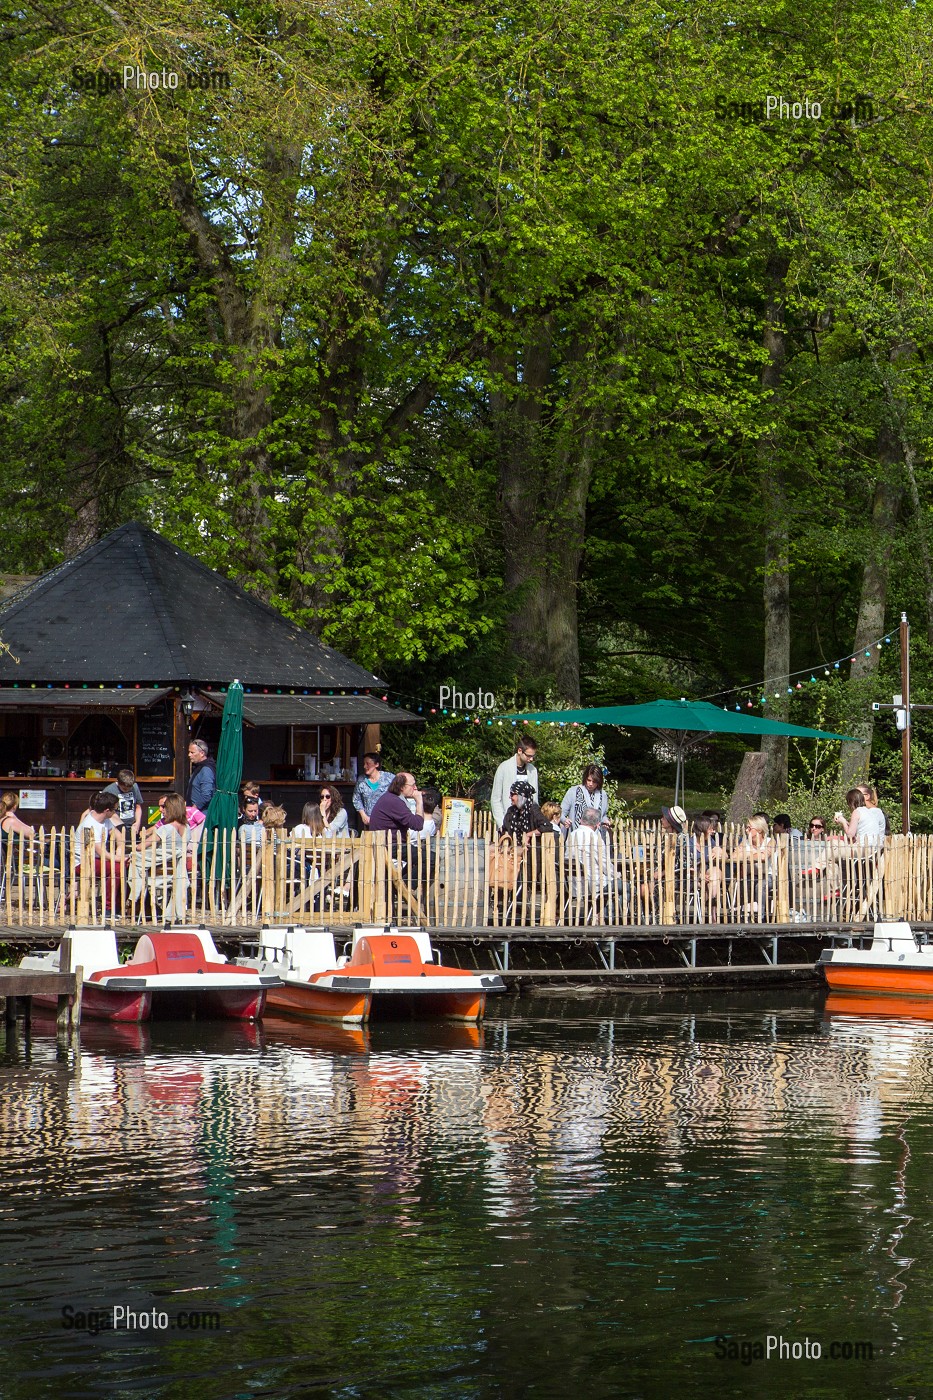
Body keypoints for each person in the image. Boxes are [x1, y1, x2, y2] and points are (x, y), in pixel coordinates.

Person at [131, 792, 189, 921]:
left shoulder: (166, 829)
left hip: (158, 872)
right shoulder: (187, 828)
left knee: (134, 861)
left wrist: (134, 848)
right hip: (176, 872)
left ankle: (137, 903)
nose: (162, 811)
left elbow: (141, 846)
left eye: (165, 808)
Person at [491, 737, 539, 831]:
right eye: (528, 755)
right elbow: (495, 799)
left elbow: (534, 799)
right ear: (520, 750)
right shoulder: (504, 767)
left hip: (527, 824)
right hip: (507, 822)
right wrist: (501, 824)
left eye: (533, 756)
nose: (531, 759)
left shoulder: (533, 770)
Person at [560, 764, 610, 832]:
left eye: (594, 781)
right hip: (576, 836)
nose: (591, 784)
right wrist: (564, 820)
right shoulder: (573, 791)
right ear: (585, 778)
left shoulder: (603, 794)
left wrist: (605, 821)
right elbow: (561, 812)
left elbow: (603, 815)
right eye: (589, 780)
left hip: (596, 837)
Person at [501, 780, 551, 844]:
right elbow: (504, 830)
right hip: (513, 850)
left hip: (531, 850)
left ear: (521, 796)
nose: (510, 797)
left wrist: (528, 834)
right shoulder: (511, 811)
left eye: (512, 794)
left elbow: (547, 826)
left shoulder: (533, 810)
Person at [352, 753, 394, 828]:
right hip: (370, 822)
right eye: (364, 764)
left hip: (387, 820)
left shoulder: (389, 778)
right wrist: (363, 815)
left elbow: (399, 791)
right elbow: (356, 799)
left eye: (368, 764)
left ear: (376, 764)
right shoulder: (361, 780)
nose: (365, 766)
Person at [103, 767, 144, 843]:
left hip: (132, 826)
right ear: (118, 783)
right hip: (116, 826)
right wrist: (119, 826)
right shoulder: (109, 790)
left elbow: (138, 806)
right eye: (124, 789)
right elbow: (107, 811)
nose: (127, 790)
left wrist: (137, 822)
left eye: (129, 788)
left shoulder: (135, 787)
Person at [186, 739, 216, 814]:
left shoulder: (206, 770)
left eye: (192, 752)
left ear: (202, 753)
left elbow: (206, 795)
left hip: (202, 814)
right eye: (189, 752)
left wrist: (193, 810)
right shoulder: (199, 768)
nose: (189, 755)